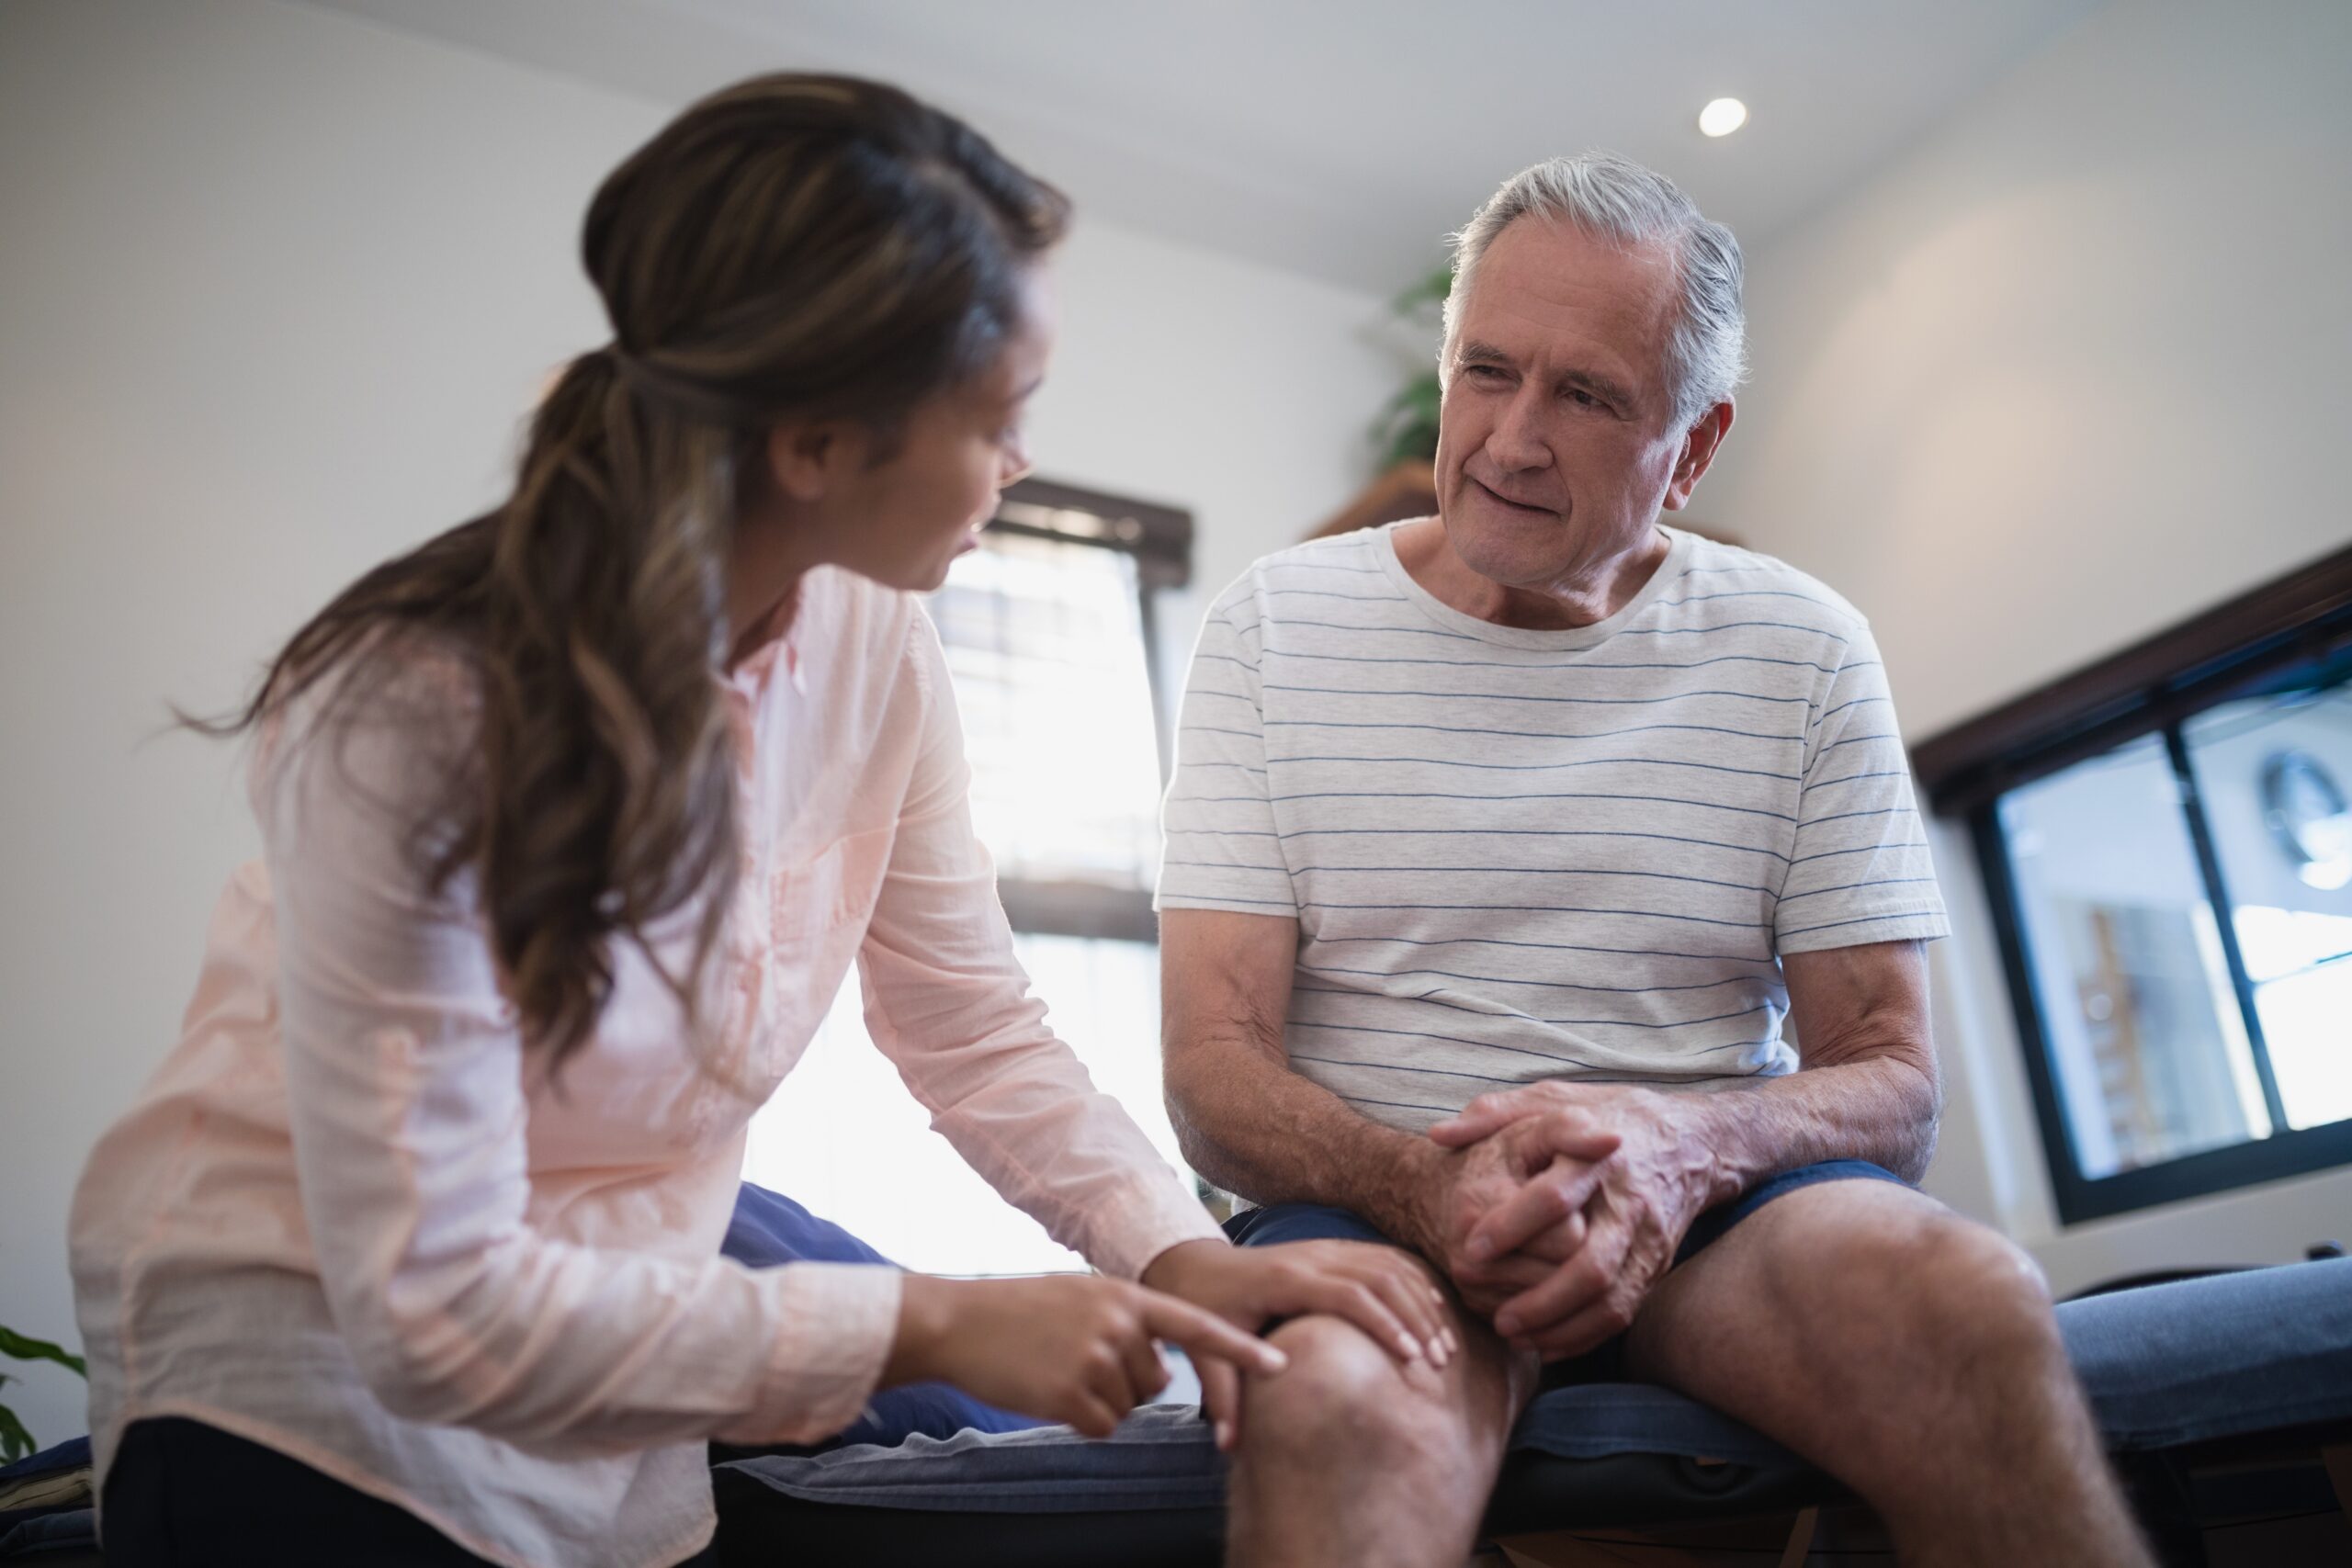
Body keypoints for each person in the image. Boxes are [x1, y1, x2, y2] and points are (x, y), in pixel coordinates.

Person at [67, 73, 1442, 1568]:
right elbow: (438, 1309)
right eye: (1002, 416)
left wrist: (1180, 1253)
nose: (1022, 462)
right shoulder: (407, 709)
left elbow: (970, 1026)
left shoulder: (878, 643)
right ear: (814, 446)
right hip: (307, 1367)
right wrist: (941, 1320)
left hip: (630, 1350)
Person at [1157, 152, 2157, 1567]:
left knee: (1967, 1300)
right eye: (1486, 371)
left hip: (1719, 1218)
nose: (1507, 441)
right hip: (1373, 1208)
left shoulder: (1803, 646)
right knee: (1334, 1398)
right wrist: (1425, 1188)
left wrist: (1688, 1146)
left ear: (1691, 449)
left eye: (1586, 395)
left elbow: (1892, 1070)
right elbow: (1213, 1062)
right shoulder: (1274, 626)